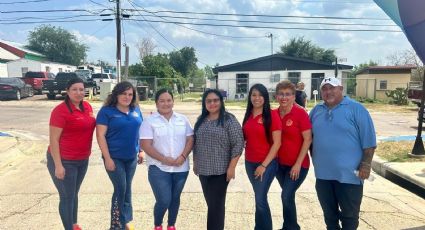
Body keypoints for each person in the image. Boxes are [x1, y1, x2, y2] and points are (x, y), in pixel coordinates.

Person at [309, 77, 376, 230]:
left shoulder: (356, 109)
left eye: (332, 88)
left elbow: (369, 141)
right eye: (324, 89)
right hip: (323, 176)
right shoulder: (316, 111)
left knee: (350, 217)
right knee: (329, 217)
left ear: (341, 89)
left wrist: (366, 164)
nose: (328, 92)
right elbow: (306, 138)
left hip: (350, 177)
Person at [139, 89, 194, 230]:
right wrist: (164, 159)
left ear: (173, 102)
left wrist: (183, 156)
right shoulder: (149, 121)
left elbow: (190, 139)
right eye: (162, 101)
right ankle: (158, 225)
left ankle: (171, 225)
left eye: (169, 100)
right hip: (158, 168)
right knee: (164, 200)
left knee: (175, 199)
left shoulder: (183, 119)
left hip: (181, 168)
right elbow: (145, 145)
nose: (166, 103)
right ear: (156, 103)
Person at [46, 77, 96, 230]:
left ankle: (74, 224)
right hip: (64, 160)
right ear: (67, 91)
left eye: (81, 89)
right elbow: (53, 140)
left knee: (74, 194)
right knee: (67, 197)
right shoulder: (60, 111)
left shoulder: (87, 106)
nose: (79, 92)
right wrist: (58, 165)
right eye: (74, 89)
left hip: (82, 159)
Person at [193, 89, 244, 230]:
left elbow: (238, 144)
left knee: (216, 207)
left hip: (220, 172)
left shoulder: (229, 120)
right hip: (203, 171)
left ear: (221, 102)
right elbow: (196, 143)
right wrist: (196, 163)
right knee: (213, 205)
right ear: (204, 103)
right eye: (209, 101)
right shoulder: (201, 120)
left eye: (216, 100)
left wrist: (232, 167)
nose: (212, 103)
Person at [96, 81, 143, 230]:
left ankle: (125, 221)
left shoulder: (136, 110)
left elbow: (140, 132)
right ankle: (117, 224)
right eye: (123, 93)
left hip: (131, 158)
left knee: (127, 188)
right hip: (114, 157)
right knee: (121, 188)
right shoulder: (106, 112)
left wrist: (140, 149)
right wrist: (107, 158)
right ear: (116, 94)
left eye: (130, 94)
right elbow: (100, 136)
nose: (127, 97)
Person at [242, 83, 282, 230]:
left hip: (267, 164)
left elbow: (277, 143)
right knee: (259, 197)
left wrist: (263, 165)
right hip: (249, 162)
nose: (256, 98)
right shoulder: (248, 115)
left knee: (260, 199)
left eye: (260, 95)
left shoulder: (272, 116)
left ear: (265, 97)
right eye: (253, 95)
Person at [274, 80, 312, 230]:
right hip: (280, 166)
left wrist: (297, 164)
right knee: (287, 197)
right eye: (281, 94)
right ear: (276, 96)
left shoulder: (300, 113)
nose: (284, 97)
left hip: (298, 166)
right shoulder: (274, 113)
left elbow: (308, 139)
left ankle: (292, 227)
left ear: (294, 96)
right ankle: (289, 226)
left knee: (286, 196)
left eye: (288, 94)